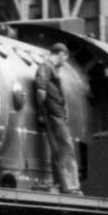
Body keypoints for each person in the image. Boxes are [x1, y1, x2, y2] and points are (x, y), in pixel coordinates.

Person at [34, 42, 81, 194]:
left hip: (56, 113)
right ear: (61, 54)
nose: (64, 63)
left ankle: (62, 183)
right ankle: (71, 186)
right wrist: (43, 111)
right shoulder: (46, 66)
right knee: (66, 148)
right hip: (53, 114)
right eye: (64, 59)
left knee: (60, 149)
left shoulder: (51, 68)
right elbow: (41, 88)